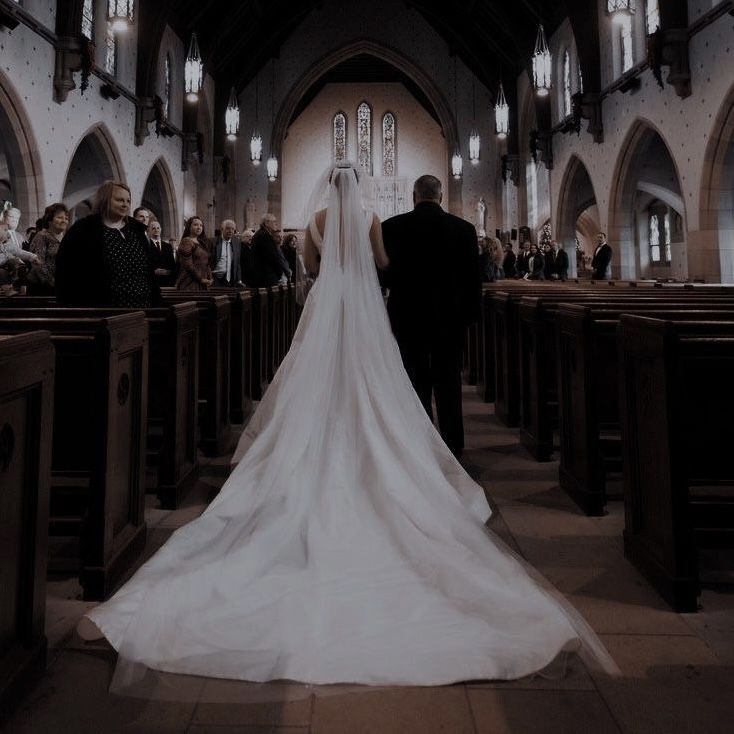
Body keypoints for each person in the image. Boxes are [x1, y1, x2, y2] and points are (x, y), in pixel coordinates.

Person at [78, 163, 615, 694]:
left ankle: (312, 449)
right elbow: (381, 264)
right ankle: (389, 451)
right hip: (361, 308)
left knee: (317, 380)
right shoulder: (372, 219)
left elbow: (309, 265)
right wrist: (370, 265)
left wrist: (333, 264)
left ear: (326, 185)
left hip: (325, 304)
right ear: (358, 185)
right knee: (374, 382)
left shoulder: (313, 221)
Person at [381, 174, 481, 458]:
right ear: (440, 196)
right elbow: (473, 279)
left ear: (414, 196)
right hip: (450, 319)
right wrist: (471, 317)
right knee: (449, 381)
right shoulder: (463, 230)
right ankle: (452, 445)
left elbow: (384, 276)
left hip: (407, 317)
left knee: (414, 381)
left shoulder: (393, 227)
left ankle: (419, 443)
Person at [55, 180, 161, 307]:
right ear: (104, 200)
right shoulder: (84, 230)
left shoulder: (137, 230)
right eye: (119, 200)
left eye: (128, 201)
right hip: (103, 309)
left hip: (143, 308)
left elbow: (149, 271)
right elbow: (65, 271)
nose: (125, 204)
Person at [26, 202, 68, 294]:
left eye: (66, 218)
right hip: (41, 287)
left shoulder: (66, 238)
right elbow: (38, 263)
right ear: (49, 220)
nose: (64, 220)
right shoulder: (42, 236)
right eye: (59, 217)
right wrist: (53, 283)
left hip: (59, 285)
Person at [251, 213, 291, 286]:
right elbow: (273, 257)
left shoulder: (260, 234)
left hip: (261, 276)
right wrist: (280, 274)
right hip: (266, 277)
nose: (276, 224)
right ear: (266, 223)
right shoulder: (265, 236)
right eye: (274, 221)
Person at [210, 219, 242, 287]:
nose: (230, 231)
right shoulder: (213, 242)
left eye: (233, 229)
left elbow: (237, 262)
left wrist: (239, 279)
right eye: (228, 228)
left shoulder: (237, 242)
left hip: (230, 279)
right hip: (215, 278)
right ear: (222, 229)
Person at [147, 219, 176, 287]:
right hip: (152, 281)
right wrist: (153, 271)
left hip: (167, 281)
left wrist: (168, 272)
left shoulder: (168, 246)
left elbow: (172, 264)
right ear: (149, 231)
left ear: (161, 229)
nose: (156, 230)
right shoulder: (146, 245)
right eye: (153, 228)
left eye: (158, 228)